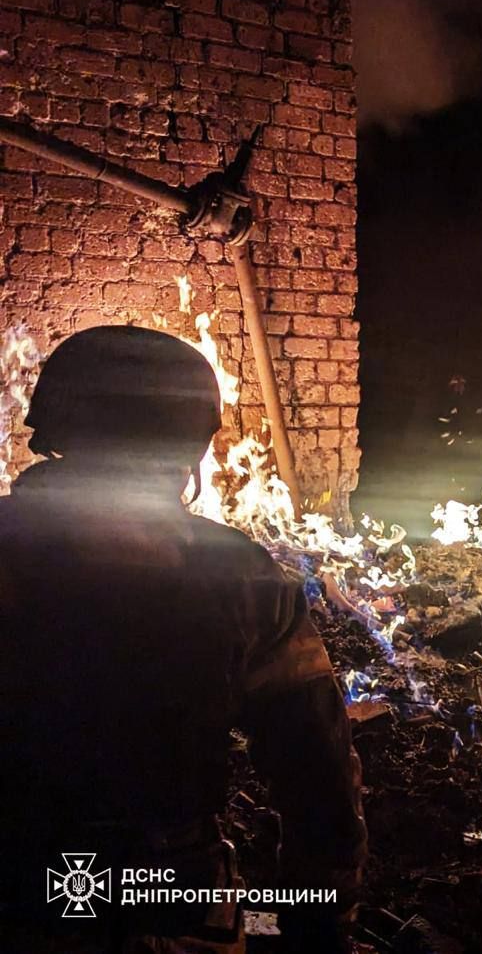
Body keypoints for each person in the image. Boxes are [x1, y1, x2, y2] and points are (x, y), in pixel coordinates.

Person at [0, 326, 366, 954]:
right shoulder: (240, 575)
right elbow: (318, 775)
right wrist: (320, 928)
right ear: (191, 443)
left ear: (54, 428)